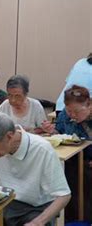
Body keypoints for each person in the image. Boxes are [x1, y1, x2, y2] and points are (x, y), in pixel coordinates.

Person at [0, 111, 70, 226]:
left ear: (9, 136)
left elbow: (64, 195)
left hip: (35, 208)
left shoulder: (42, 149)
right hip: (5, 201)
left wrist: (37, 222)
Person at [54, 85, 92, 221]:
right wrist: (52, 131)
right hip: (71, 159)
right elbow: (59, 131)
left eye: (77, 111)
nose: (73, 115)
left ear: (89, 105)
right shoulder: (65, 114)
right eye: (69, 111)